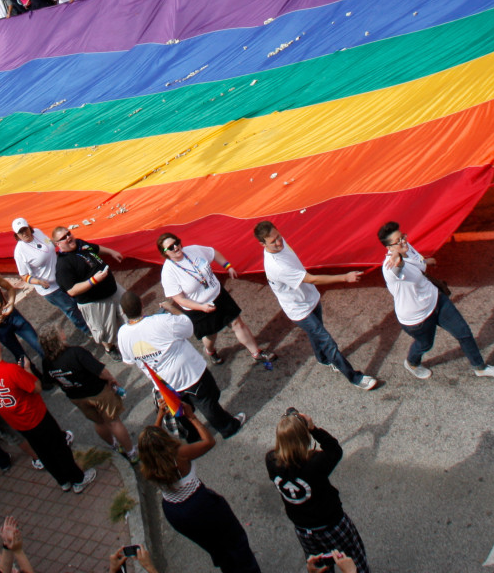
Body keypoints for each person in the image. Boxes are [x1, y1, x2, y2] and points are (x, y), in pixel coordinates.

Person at [253, 221, 379, 391]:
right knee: (327, 340)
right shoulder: (277, 266)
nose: (279, 242)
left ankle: (324, 359)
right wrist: (345, 277)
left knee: (317, 333)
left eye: (278, 236)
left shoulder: (281, 245)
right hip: (300, 310)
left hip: (310, 298)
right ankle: (355, 378)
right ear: (263, 244)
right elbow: (311, 279)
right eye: (273, 241)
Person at [138, 408, 261, 573]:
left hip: (175, 512)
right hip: (200, 504)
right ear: (164, 441)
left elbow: (153, 444)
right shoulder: (179, 455)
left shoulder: (148, 465)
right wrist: (192, 417)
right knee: (234, 540)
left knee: (215, 547)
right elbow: (208, 442)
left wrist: (160, 415)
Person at [378, 222, 494, 377]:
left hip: (436, 300)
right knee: (425, 345)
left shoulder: (407, 247)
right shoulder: (390, 267)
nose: (403, 241)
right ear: (389, 248)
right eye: (397, 242)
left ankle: (480, 368)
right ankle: (412, 363)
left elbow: (417, 262)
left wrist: (426, 261)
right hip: (417, 318)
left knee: (464, 332)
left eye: (402, 237)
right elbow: (399, 267)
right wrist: (398, 257)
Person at [0, 333, 95, 493]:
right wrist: (28, 370)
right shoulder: (11, 370)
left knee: (42, 452)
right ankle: (78, 479)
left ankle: (63, 481)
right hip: (36, 417)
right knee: (59, 447)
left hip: (18, 423)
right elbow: (36, 387)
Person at [118, 288, 244, 439]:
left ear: (124, 312)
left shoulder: (122, 334)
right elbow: (188, 327)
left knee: (181, 411)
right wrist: (172, 308)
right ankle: (227, 427)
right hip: (190, 373)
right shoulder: (161, 321)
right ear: (141, 304)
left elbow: (128, 361)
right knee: (207, 402)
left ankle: (194, 438)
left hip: (164, 382)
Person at [266, 412, 370, 573]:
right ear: (303, 439)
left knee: (320, 567)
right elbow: (334, 450)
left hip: (303, 529)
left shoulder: (271, 461)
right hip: (332, 525)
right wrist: (313, 428)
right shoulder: (315, 464)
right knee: (354, 560)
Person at [157, 232, 274, 366]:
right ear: (165, 253)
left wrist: (227, 266)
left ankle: (256, 353)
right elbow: (180, 300)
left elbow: (213, 253)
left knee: (237, 323)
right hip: (198, 308)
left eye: (176, 243)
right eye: (170, 247)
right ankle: (210, 351)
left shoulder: (193, 250)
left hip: (218, 295)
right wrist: (202, 307)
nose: (176, 247)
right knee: (211, 335)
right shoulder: (168, 273)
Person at [38, 326, 134, 460]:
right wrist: (111, 380)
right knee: (114, 422)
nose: (63, 332)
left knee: (99, 423)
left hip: (76, 397)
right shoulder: (76, 353)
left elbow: (50, 381)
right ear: (59, 339)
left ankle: (114, 446)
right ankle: (131, 452)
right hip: (98, 393)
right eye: (61, 332)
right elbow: (101, 372)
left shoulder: (47, 362)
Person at [53, 226, 126, 357]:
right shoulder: (63, 265)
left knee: (129, 311)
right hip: (95, 302)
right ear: (57, 244)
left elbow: (95, 248)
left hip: (113, 289)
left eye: (68, 234)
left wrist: (111, 252)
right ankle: (110, 349)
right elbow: (72, 290)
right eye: (63, 238)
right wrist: (93, 281)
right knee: (106, 332)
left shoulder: (80, 244)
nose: (68, 237)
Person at [11, 216, 90, 336]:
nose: (24, 234)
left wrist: (62, 242)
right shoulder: (20, 252)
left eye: (25, 229)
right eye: (20, 232)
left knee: (79, 298)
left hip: (62, 276)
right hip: (51, 288)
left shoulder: (37, 232)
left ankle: (92, 320)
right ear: (17, 235)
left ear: (29, 228)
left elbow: (49, 244)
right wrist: (38, 282)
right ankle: (87, 330)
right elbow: (24, 275)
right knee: (70, 308)